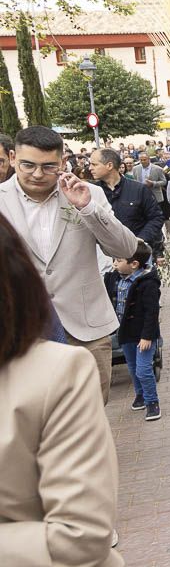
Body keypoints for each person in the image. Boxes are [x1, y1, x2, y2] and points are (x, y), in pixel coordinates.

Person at [0, 216, 163, 567]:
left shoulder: (55, 375)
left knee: (141, 374)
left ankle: (149, 402)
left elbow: (79, 532)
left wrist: (91, 208)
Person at [0, 127, 138, 404]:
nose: (38, 174)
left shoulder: (89, 194)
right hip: (21, 333)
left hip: (85, 330)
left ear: (63, 163)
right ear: (13, 158)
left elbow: (125, 249)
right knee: (33, 426)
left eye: (48, 166)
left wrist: (87, 209)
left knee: (90, 421)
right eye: (28, 165)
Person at [104, 240, 162, 421]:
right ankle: (140, 395)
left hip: (144, 335)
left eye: (119, 260)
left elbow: (152, 312)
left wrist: (147, 336)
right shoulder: (114, 277)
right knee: (132, 367)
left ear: (134, 264)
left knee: (143, 369)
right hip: (125, 333)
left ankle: (152, 402)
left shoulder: (147, 282)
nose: (115, 263)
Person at [88, 148, 164, 255]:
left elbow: (156, 218)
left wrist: (141, 240)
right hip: (104, 256)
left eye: (94, 164)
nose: (90, 168)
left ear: (109, 165)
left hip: (136, 255)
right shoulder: (91, 192)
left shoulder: (138, 189)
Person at [130, 152, 169, 238]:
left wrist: (153, 183)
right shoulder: (136, 169)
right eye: (141, 160)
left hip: (155, 196)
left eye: (145, 160)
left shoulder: (157, 169)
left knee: (157, 217)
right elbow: (135, 180)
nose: (143, 161)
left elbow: (164, 181)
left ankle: (161, 235)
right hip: (141, 197)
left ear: (149, 159)